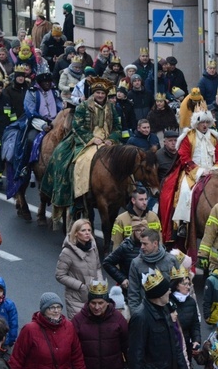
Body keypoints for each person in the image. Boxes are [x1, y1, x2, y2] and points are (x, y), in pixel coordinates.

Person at [42, 77, 122, 222]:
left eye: (103, 93)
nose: (100, 96)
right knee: (79, 162)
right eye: (98, 93)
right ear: (93, 93)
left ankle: (127, 193)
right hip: (87, 141)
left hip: (108, 142)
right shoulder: (83, 107)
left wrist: (111, 139)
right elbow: (78, 127)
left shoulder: (111, 108)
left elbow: (117, 126)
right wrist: (92, 139)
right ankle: (81, 193)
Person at [158, 109, 218, 251]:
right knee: (185, 192)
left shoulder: (213, 137)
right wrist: (199, 171)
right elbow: (184, 157)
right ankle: (182, 224)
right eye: (202, 123)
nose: (205, 125)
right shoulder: (188, 136)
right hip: (192, 172)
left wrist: (215, 168)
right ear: (196, 124)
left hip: (212, 172)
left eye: (207, 122)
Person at [55, 219, 103, 318]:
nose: (87, 233)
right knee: (78, 329)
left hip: (94, 297)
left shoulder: (93, 247)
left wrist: (100, 283)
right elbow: (60, 275)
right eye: (83, 230)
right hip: (76, 298)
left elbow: (98, 267)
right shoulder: (67, 252)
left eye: (89, 230)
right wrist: (80, 286)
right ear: (76, 233)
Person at [127, 228, 179, 311]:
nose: (142, 247)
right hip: (147, 311)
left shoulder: (171, 260)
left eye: (145, 244)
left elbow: (179, 287)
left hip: (169, 310)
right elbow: (133, 293)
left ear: (155, 243)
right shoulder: (136, 263)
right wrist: (136, 315)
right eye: (141, 243)